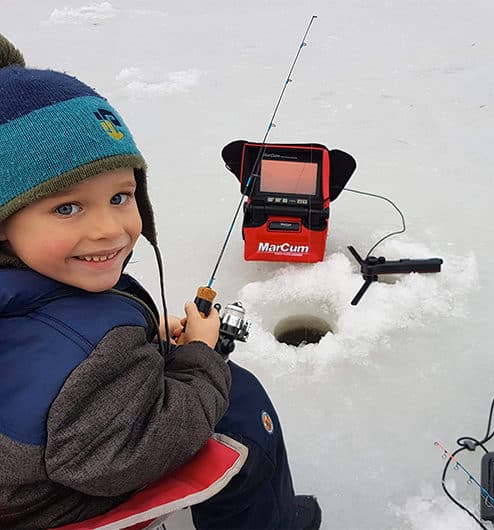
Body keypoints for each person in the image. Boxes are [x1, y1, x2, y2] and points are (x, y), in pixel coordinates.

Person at [0, 33, 321, 530]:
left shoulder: (30, 283)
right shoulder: (79, 348)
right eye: (67, 207)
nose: (109, 228)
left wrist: (137, 345)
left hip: (54, 453)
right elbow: (132, 451)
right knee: (242, 411)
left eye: (120, 196)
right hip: (58, 503)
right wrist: (199, 357)